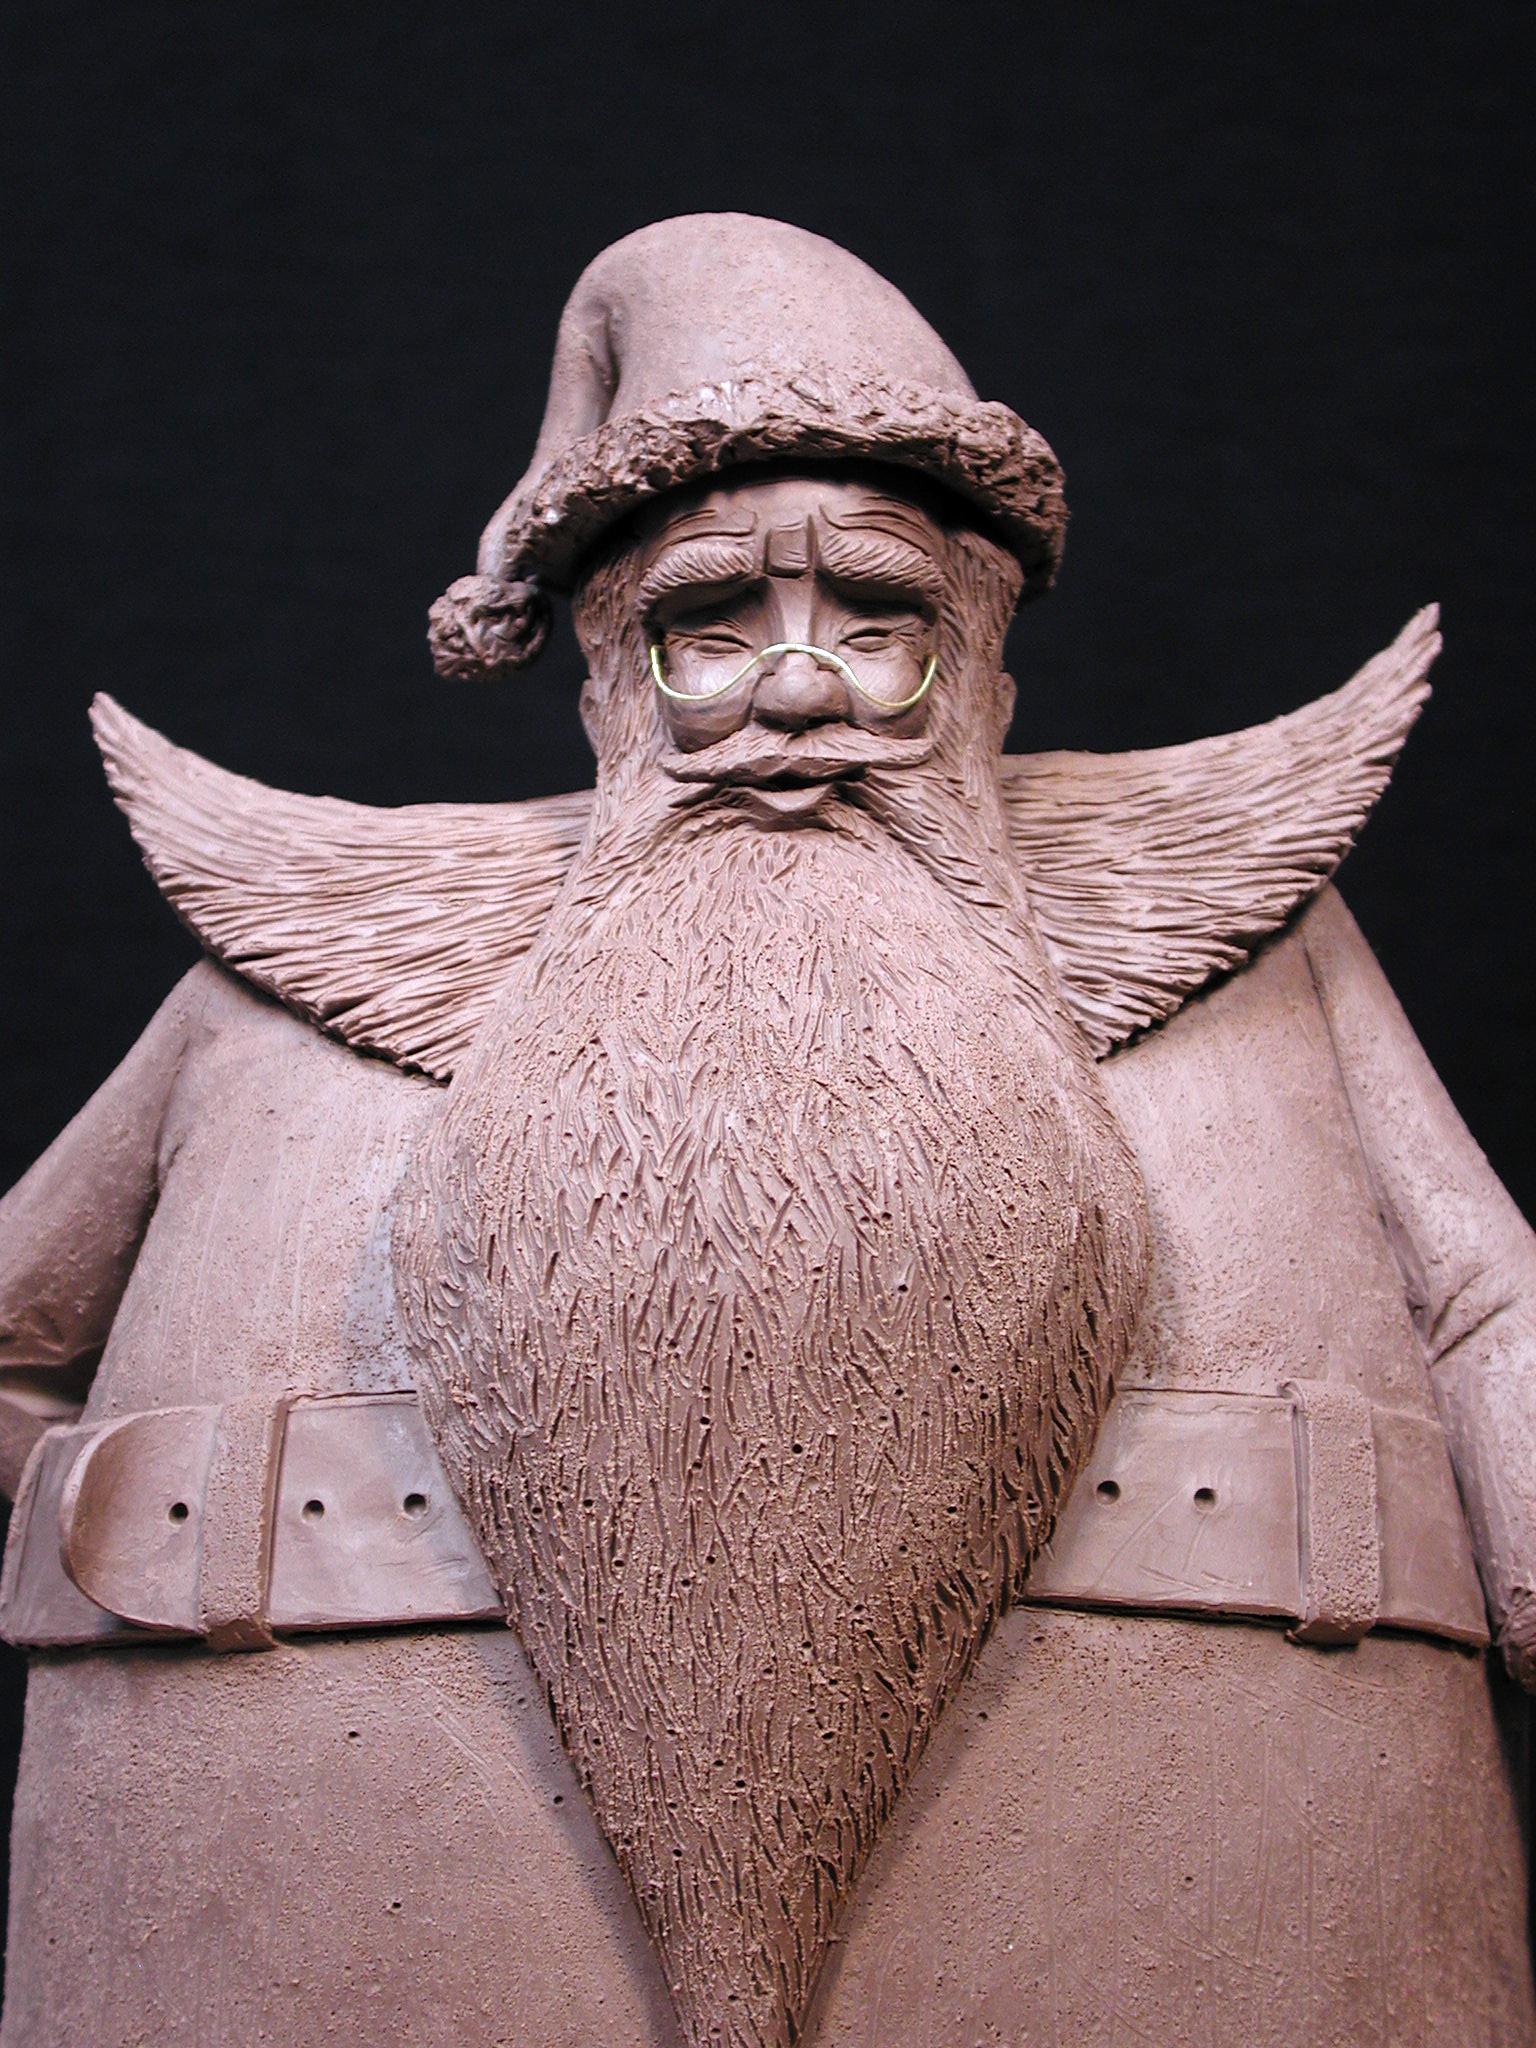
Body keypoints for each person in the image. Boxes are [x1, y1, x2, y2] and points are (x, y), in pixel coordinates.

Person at [0, 215, 1531, 2048]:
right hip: (331, 1916)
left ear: (985, 680)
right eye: (704, 634)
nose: (796, 692)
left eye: (881, 631)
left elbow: (1485, 1308)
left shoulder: (1256, 927)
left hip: (1207, 1897)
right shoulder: (296, 953)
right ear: (604, 686)